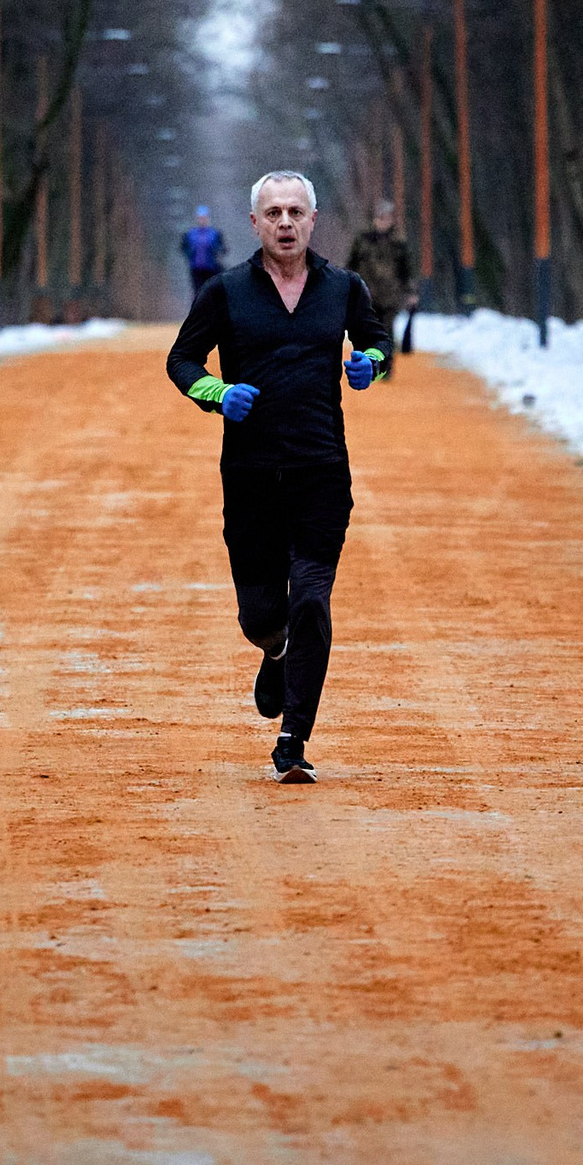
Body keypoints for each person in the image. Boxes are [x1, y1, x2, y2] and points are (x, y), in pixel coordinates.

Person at [166, 170, 391, 782]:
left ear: (314, 220)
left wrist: (368, 364)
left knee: (313, 600)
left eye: (296, 211)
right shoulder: (225, 291)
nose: (286, 223)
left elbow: (377, 342)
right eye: (274, 213)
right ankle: (275, 649)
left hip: (322, 471)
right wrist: (216, 392)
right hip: (250, 476)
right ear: (255, 223)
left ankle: (292, 740)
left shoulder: (343, 288)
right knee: (261, 614)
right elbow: (181, 359)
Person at [344, 201, 413, 378]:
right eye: (380, 218)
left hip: (390, 296)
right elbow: (351, 265)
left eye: (386, 218)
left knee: (387, 333)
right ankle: (366, 366)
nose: (383, 222)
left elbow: (407, 271)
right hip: (366, 296)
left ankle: (386, 368)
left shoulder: (399, 243)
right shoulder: (362, 239)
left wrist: (411, 293)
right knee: (366, 332)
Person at [180, 207, 226, 298]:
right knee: (198, 293)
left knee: (210, 291)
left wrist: (217, 253)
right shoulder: (190, 234)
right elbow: (183, 247)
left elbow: (223, 248)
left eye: (204, 218)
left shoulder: (215, 233)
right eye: (200, 218)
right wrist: (189, 255)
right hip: (196, 268)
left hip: (211, 268)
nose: (202, 220)